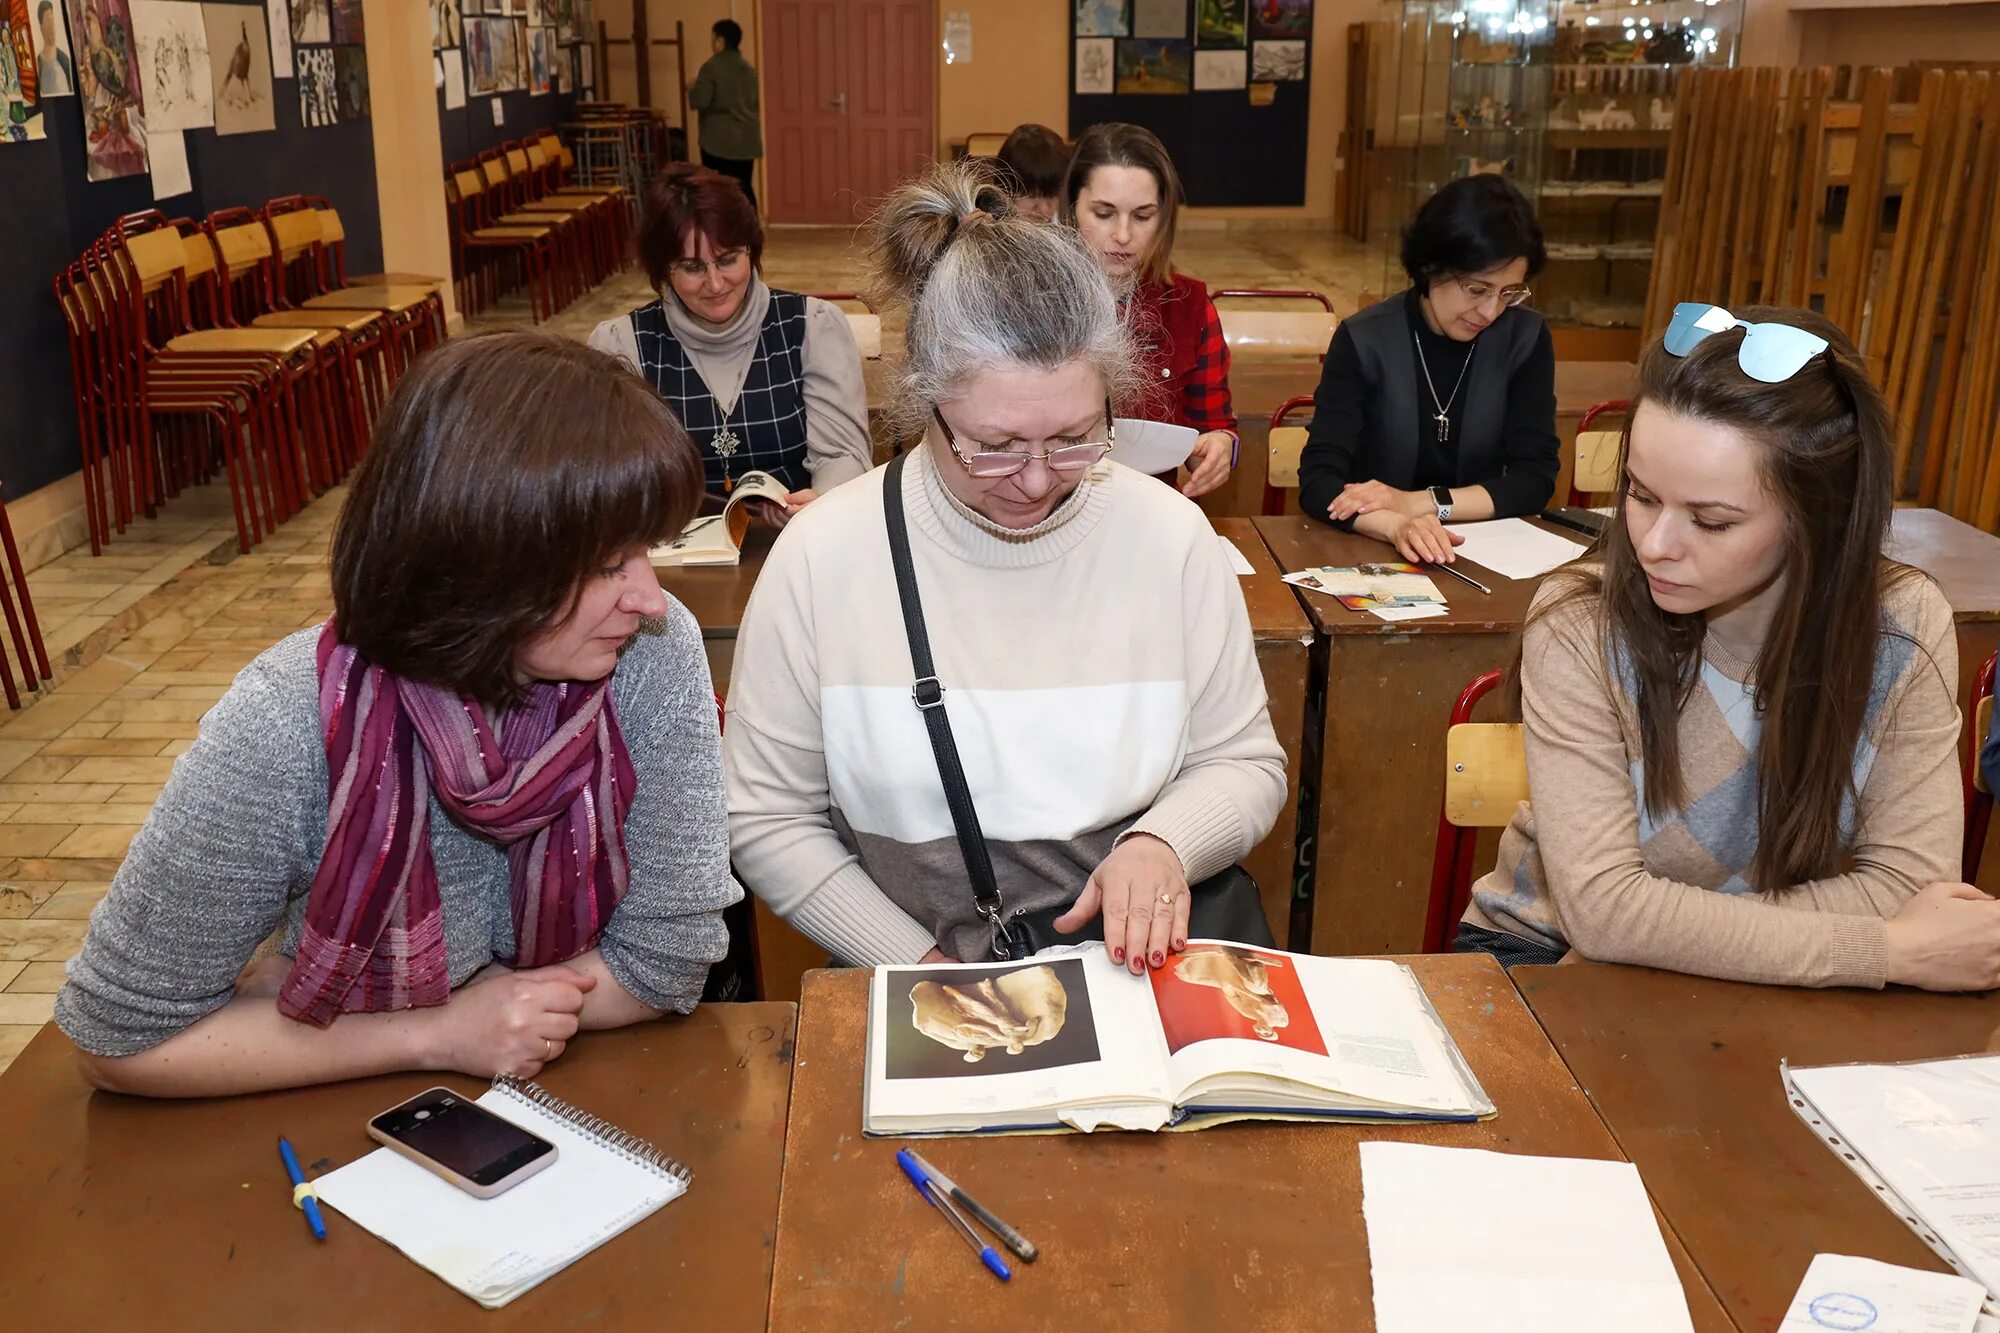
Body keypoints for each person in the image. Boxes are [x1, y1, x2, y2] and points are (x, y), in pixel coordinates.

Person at [54, 333, 741, 1097]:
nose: (649, 596)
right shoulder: (286, 723)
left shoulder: (650, 649)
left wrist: (483, 1021)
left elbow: (663, 963)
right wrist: (439, 1034)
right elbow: (120, 1038)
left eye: (649, 549)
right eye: (610, 565)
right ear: (486, 565)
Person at [724, 162, 1286, 975]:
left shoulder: (1170, 539)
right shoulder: (821, 561)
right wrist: (917, 964)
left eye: (1073, 437)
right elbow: (768, 815)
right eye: (993, 447)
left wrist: (1165, 841)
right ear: (923, 404)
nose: (1034, 478)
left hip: (1136, 971)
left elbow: (1244, 760)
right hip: (918, 975)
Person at [1455, 304, 2000, 992]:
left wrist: (1651, 935)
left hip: (1776, 983)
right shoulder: (1580, 622)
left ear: (1818, 516)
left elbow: (1910, 883)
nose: (1654, 545)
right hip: (1543, 955)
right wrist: (1882, 951)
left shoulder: (1903, 622)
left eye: (1711, 521)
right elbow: (1601, 912)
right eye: (1640, 494)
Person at [1297, 175, 1558, 565]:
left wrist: (1418, 503)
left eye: (1508, 293)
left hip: (1484, 554)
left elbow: (1533, 480)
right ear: (1431, 265)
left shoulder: (1525, 339)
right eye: (1477, 289)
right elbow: (1320, 481)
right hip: (1372, 550)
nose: (1491, 312)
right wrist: (1395, 525)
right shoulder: (1365, 339)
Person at [589, 164, 871, 516]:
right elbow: (608, 478)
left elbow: (842, 456)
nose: (716, 283)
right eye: (692, 268)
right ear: (663, 269)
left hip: (792, 540)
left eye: (728, 260)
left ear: (751, 252)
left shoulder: (813, 327)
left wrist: (822, 502)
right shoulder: (622, 345)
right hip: (676, 554)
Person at [1062, 122, 1235, 501]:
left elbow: (1213, 424)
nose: (1123, 235)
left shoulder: (1189, 306)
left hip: (1152, 512)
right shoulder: (1030, 298)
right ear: (1072, 207)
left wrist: (1219, 446)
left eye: (1142, 216)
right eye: (1104, 213)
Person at [690, 18, 761, 210]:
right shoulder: (749, 70)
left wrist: (693, 88)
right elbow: (755, 103)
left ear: (720, 41)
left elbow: (701, 101)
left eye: (713, 38)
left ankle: (722, 237)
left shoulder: (711, 67)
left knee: (717, 190)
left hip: (717, 142)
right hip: (746, 140)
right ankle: (751, 234)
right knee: (744, 187)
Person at [994, 122, 1067, 222]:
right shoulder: (987, 229)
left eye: (1053, 195)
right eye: (1033, 196)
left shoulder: (1069, 227)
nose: (1044, 209)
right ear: (1005, 191)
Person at [37, 1, 73, 98]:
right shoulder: (38, 63)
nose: (52, 26)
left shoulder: (64, 60)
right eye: (48, 21)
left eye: (52, 21)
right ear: (41, 27)